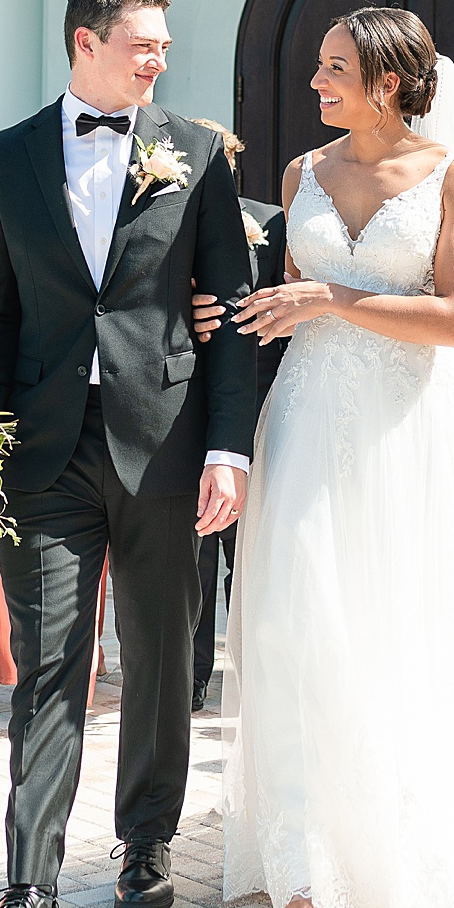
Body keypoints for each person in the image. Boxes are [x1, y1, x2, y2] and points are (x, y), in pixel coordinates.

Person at [217, 7, 454, 908]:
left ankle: (401, 851)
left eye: (334, 69)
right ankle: (305, 874)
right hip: (307, 420)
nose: (315, 84)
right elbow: (283, 303)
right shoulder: (301, 175)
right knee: (298, 628)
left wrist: (331, 298)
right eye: (320, 66)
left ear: (390, 84)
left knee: (394, 631)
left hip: (408, 433)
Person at [0, 0, 258, 908]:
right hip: (44, 449)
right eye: (142, 43)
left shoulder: (199, 153)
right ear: (84, 42)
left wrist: (228, 447)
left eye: (164, 44)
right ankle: (27, 896)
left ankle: (145, 838)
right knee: (48, 668)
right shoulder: (4, 158)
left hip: (165, 443)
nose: (159, 58)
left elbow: (230, 313)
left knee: (162, 655)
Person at [186, 116, 288, 714]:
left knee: (247, 548)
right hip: (181, 396)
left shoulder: (268, 222)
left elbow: (282, 301)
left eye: (222, 156)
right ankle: (194, 672)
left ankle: (250, 666)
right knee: (196, 547)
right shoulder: (158, 215)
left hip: (254, 391)